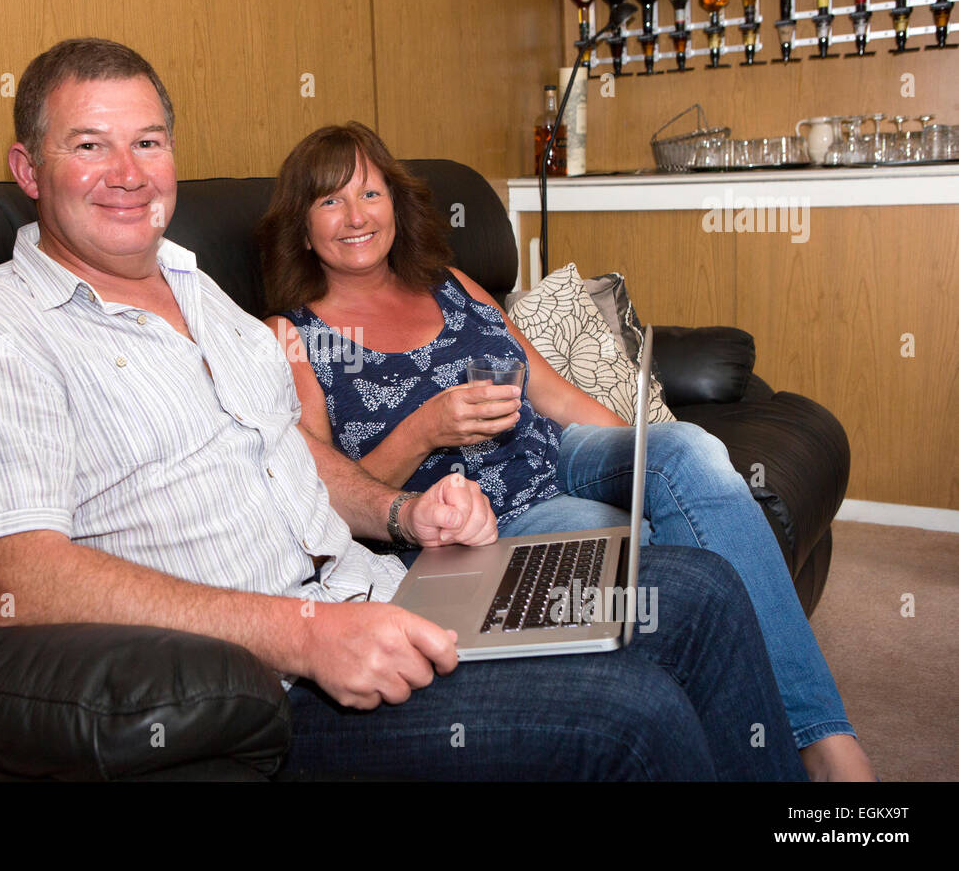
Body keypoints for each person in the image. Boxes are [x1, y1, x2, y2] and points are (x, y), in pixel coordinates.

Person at [0, 37, 806, 780]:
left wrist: (405, 510)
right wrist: (304, 634)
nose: (127, 173)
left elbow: (298, 459)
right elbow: (21, 585)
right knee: (630, 716)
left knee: (699, 592)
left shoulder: (205, 297)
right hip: (266, 686)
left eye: (147, 142)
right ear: (28, 168)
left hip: (385, 589)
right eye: (90, 144)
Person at [259, 120, 874, 781]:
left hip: (560, 455)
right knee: (617, 542)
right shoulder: (291, 336)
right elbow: (323, 496)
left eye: (370, 195)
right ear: (302, 226)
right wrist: (424, 431)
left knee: (686, 454)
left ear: (396, 206)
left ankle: (823, 738)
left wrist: (640, 456)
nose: (355, 216)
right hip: (479, 518)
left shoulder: (451, 283)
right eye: (330, 201)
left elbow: (551, 396)